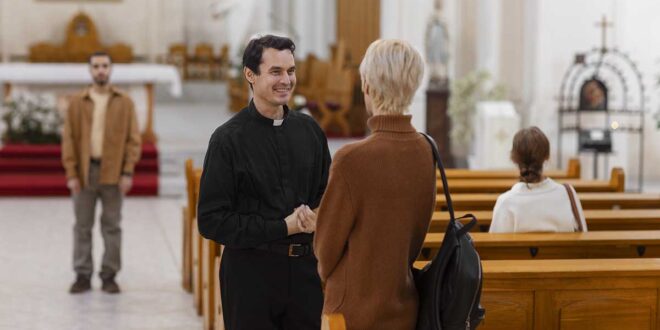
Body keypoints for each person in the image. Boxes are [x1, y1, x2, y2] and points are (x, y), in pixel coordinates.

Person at [197, 35, 331, 330]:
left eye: (291, 71)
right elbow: (210, 220)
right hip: (249, 276)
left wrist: (318, 217)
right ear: (250, 75)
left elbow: (327, 195)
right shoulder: (227, 140)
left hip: (304, 273)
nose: (286, 80)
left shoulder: (310, 131)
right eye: (275, 72)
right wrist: (283, 227)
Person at [313, 39, 435, 330]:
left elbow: (325, 252)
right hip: (405, 306)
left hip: (351, 314)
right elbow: (414, 237)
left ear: (367, 87)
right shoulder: (426, 151)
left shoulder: (351, 160)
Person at [62, 51, 142, 294]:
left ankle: (109, 275)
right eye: (96, 66)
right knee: (82, 226)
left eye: (104, 66)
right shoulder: (77, 102)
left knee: (112, 226)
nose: (100, 70)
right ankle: (82, 274)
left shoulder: (124, 102)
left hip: (113, 173)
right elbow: (69, 139)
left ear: (110, 69)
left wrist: (127, 172)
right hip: (86, 173)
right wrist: (72, 173)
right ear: (90, 70)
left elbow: (133, 140)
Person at [489, 127, 588, 233]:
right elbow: (583, 235)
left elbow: (495, 247)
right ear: (547, 156)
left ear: (514, 159)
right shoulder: (568, 194)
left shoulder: (506, 202)